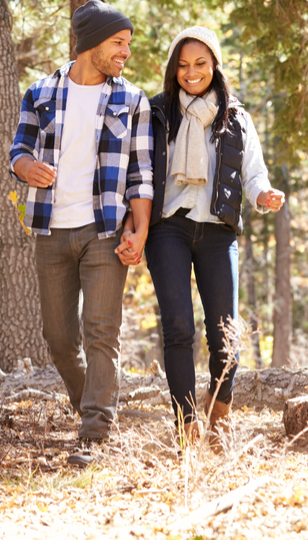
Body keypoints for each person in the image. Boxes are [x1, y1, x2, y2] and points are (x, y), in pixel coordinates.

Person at [116, 26, 284, 447]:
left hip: (217, 231)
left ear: (215, 66)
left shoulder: (236, 117)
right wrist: (132, 227)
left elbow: (253, 172)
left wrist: (264, 193)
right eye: (183, 65)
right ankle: (187, 423)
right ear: (174, 69)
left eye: (201, 64)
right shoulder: (156, 113)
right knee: (177, 328)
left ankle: (220, 407)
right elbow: (134, 172)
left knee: (226, 333)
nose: (191, 73)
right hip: (167, 229)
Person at [9, 0, 153, 467]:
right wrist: (26, 166)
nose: (125, 52)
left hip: (105, 230)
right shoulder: (40, 92)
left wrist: (140, 230)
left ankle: (94, 434)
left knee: (101, 332)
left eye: (127, 43)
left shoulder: (132, 99)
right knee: (58, 338)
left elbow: (141, 175)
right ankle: (89, 405)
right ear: (91, 42)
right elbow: (18, 150)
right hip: (50, 229)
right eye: (118, 42)